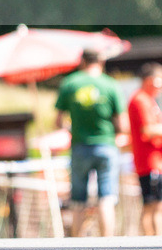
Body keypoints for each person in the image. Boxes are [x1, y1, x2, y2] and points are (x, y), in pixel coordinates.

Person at [55, 47, 128, 237]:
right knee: (107, 197)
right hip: (106, 145)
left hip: (80, 146)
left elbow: (58, 121)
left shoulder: (70, 83)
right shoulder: (110, 85)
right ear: (101, 62)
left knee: (78, 199)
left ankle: (78, 244)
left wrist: (72, 128)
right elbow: (122, 123)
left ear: (82, 62)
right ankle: (108, 243)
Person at [127, 62, 162, 236]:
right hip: (149, 162)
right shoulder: (141, 100)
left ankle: (158, 241)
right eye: (161, 82)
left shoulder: (148, 101)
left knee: (158, 205)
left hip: (156, 161)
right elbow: (149, 130)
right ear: (151, 80)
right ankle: (154, 243)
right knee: (153, 206)